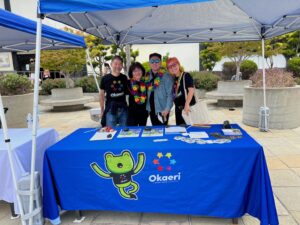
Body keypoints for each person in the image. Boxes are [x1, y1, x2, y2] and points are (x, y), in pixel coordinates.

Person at [99, 56, 128, 127]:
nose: (118, 66)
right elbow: (101, 95)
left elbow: (128, 93)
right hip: (110, 109)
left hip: (123, 109)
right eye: (115, 63)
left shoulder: (124, 78)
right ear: (111, 64)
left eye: (120, 64)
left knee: (124, 131)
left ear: (122, 66)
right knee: (110, 131)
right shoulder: (105, 78)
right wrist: (102, 110)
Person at [145, 53, 174, 125]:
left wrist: (167, 109)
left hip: (162, 109)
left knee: (163, 130)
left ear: (160, 62)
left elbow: (170, 94)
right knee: (155, 130)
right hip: (151, 108)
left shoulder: (167, 76)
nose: (154, 63)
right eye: (152, 61)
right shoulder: (147, 75)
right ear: (149, 63)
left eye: (157, 61)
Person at [166, 57, 196, 125]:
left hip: (187, 108)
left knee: (190, 130)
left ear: (178, 64)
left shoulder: (186, 75)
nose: (173, 68)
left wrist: (187, 104)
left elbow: (191, 90)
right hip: (178, 110)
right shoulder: (173, 79)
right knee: (180, 130)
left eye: (174, 65)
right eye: (170, 67)